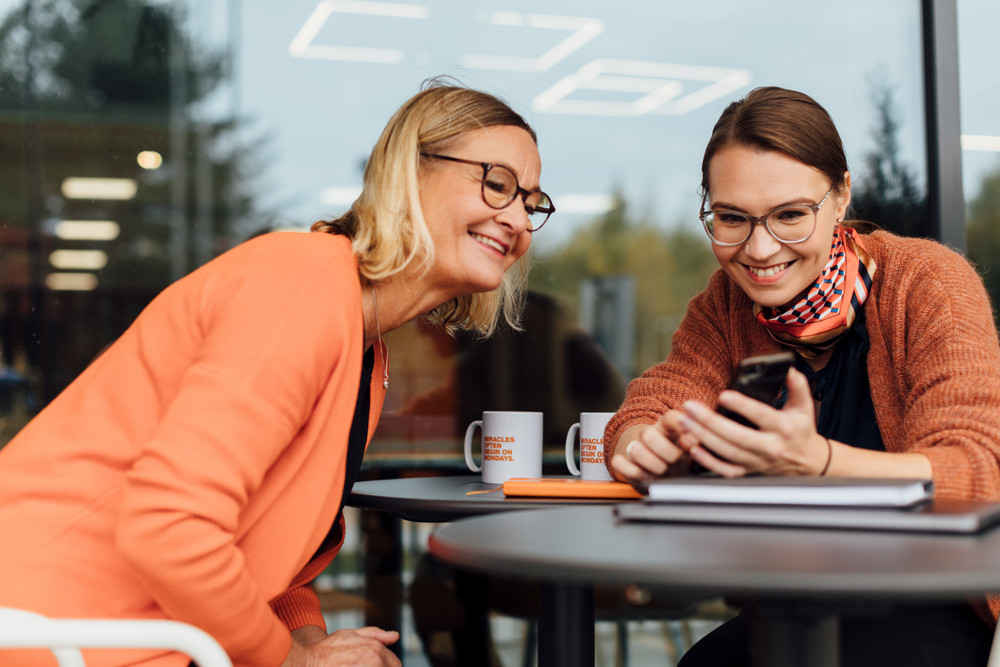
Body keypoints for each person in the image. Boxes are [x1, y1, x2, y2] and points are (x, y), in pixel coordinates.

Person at [0, 80, 554, 667]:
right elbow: (169, 526)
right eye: (498, 185)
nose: (517, 218)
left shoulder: (363, 343)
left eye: (532, 203)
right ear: (410, 173)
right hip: (52, 634)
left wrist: (310, 639)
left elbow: (265, 540)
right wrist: (291, 660)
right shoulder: (303, 285)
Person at [604, 86, 1000, 666]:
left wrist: (817, 463)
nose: (759, 250)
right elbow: (651, 406)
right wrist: (647, 445)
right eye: (731, 218)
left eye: (790, 215)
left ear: (841, 195)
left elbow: (979, 474)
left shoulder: (927, 282)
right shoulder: (725, 307)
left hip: (935, 603)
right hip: (793, 604)